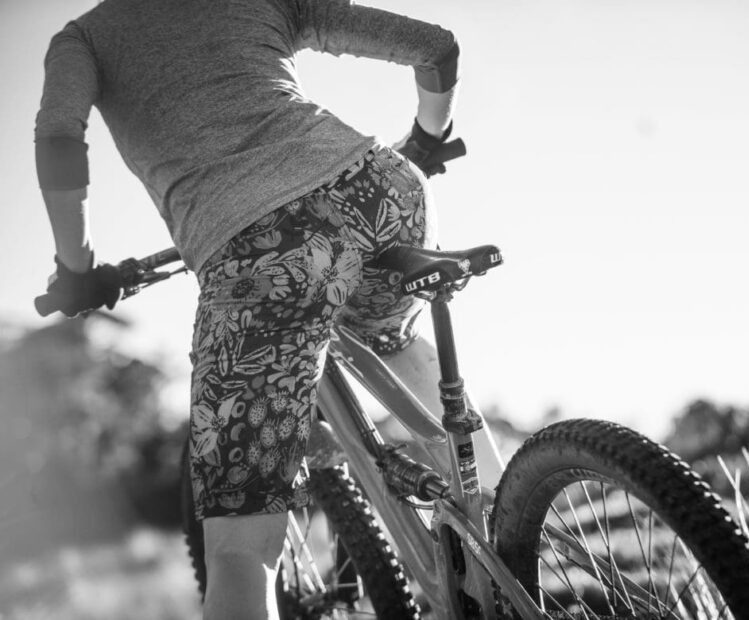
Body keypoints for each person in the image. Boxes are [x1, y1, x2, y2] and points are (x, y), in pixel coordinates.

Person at [35, 1, 466, 618]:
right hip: (381, 189)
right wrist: (426, 137)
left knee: (239, 553)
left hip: (261, 252)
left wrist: (78, 271)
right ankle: (506, 523)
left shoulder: (84, 39)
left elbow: (58, 139)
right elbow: (435, 48)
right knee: (391, 337)